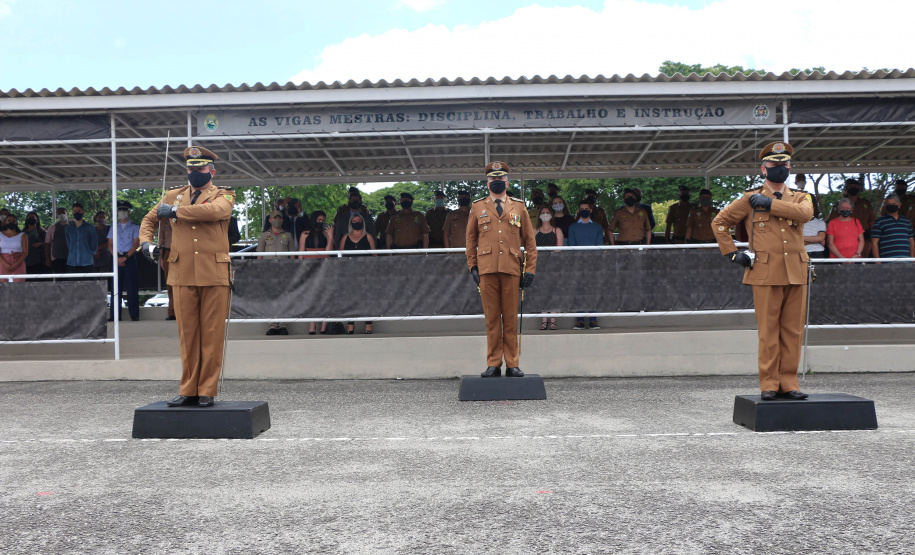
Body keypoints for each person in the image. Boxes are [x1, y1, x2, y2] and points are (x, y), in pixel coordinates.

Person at [712, 141, 813, 401]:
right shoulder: (749, 198)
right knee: (768, 331)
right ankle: (769, 383)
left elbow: (805, 214)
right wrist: (733, 253)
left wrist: (768, 204)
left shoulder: (801, 197)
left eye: (783, 164)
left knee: (793, 331)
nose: (779, 168)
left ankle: (790, 383)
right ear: (763, 168)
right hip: (765, 273)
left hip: (796, 273)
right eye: (773, 164)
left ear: (790, 167)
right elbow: (720, 222)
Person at [139, 145, 235, 408]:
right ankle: (188, 389)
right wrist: (146, 243)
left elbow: (216, 212)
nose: (195, 172)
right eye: (191, 168)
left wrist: (175, 212)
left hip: (214, 274)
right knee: (187, 335)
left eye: (200, 168)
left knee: (212, 335)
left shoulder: (224, 195)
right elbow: (149, 219)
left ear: (211, 171)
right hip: (181, 273)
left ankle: (207, 390)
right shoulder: (173, 195)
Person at [465, 161, 537, 378]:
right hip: (486, 269)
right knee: (492, 319)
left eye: (500, 178)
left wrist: (530, 269)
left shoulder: (519, 206)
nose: (496, 182)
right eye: (492, 179)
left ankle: (512, 363)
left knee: (510, 318)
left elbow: (530, 241)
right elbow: (470, 239)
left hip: (512, 268)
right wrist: (472, 266)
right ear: (487, 182)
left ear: (507, 181)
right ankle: (494, 363)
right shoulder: (478, 206)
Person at [257, 210, 296, 336]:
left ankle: (283, 325)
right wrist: (260, 271)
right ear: (270, 220)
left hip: (284, 271)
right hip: (269, 271)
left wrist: (292, 270)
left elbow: (292, 255)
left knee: (284, 298)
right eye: (275, 218)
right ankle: (273, 325)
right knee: (271, 298)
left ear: (283, 219)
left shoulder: (288, 235)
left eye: (279, 217)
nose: (277, 220)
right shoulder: (264, 235)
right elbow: (259, 255)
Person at [568, 200, 603, 331]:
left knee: (593, 291)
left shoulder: (597, 227)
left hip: (593, 264)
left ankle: (593, 320)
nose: (584, 210)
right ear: (578, 211)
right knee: (579, 291)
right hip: (578, 263)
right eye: (581, 208)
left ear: (591, 210)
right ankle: (580, 320)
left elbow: (599, 246)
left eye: (586, 208)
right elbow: (572, 246)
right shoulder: (573, 227)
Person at [340, 213, 376, 334]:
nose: (357, 223)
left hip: (365, 273)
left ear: (363, 223)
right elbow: (341, 256)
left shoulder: (368, 237)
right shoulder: (345, 237)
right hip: (350, 274)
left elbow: (374, 256)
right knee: (351, 298)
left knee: (366, 298)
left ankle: (368, 324)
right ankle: (351, 324)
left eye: (359, 220)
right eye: (354, 221)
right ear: (351, 224)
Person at [300, 211, 333, 335]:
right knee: (311, 295)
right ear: (314, 220)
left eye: (323, 220)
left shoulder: (326, 233)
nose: (321, 222)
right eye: (319, 220)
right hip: (309, 264)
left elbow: (329, 251)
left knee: (324, 294)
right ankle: (312, 324)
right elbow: (301, 253)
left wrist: (330, 237)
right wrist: (301, 269)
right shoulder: (305, 234)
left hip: (324, 263)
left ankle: (324, 325)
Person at [108, 200, 141, 321]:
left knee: (132, 287)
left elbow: (136, 244)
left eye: (124, 210)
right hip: (116, 258)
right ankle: (115, 315)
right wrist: (116, 258)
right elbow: (110, 244)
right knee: (115, 288)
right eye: (119, 210)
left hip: (129, 258)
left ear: (128, 212)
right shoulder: (113, 227)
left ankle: (134, 314)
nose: (122, 212)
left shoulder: (135, 227)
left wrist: (125, 257)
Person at [826, 179, 876, 256]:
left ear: (859, 188)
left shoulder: (865, 203)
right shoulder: (839, 205)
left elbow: (872, 222)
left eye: (855, 186)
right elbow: (832, 221)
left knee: (864, 263)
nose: (853, 188)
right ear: (847, 188)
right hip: (841, 240)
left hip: (864, 238)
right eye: (851, 186)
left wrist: (871, 240)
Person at [534, 205, 563, 331]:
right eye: (543, 212)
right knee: (542, 292)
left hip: (553, 264)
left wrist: (548, 253)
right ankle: (544, 319)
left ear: (551, 214)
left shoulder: (557, 230)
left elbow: (560, 248)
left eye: (547, 212)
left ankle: (553, 320)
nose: (545, 214)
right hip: (539, 264)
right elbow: (531, 247)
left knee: (554, 291)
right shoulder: (535, 230)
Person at [871, 194, 915, 259]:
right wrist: (878, 262)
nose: (891, 206)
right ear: (885, 206)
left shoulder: (907, 221)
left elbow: (911, 242)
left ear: (899, 205)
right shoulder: (879, 222)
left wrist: (912, 260)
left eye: (894, 204)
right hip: (887, 262)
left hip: (906, 261)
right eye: (888, 204)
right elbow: (874, 243)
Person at [64, 202, 98, 274]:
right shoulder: (68, 229)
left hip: (87, 261)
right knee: (72, 284)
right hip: (72, 262)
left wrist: (90, 254)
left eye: (79, 211)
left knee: (88, 284)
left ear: (83, 212)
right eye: (75, 211)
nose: (77, 213)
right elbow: (69, 244)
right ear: (72, 212)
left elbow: (93, 245)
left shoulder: (90, 228)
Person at [157, 210, 176, 320]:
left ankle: (181, 311)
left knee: (182, 283)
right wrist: (161, 258)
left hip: (181, 252)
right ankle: (172, 311)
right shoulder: (163, 220)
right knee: (169, 283)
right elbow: (160, 240)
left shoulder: (181, 216)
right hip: (167, 252)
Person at [0, 213, 28, 282]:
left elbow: (25, 252)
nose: (11, 222)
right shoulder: (0, 234)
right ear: (5, 222)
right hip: (3, 261)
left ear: (16, 223)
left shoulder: (23, 235)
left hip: (18, 261)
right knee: (3, 285)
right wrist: (6, 264)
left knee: (18, 285)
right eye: (9, 220)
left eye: (14, 221)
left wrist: (16, 264)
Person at [45, 207, 70, 274]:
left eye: (63, 212)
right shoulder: (52, 227)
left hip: (71, 258)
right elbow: (47, 244)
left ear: (67, 214)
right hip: (56, 258)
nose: (61, 214)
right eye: (59, 213)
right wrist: (48, 259)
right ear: (56, 216)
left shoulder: (73, 226)